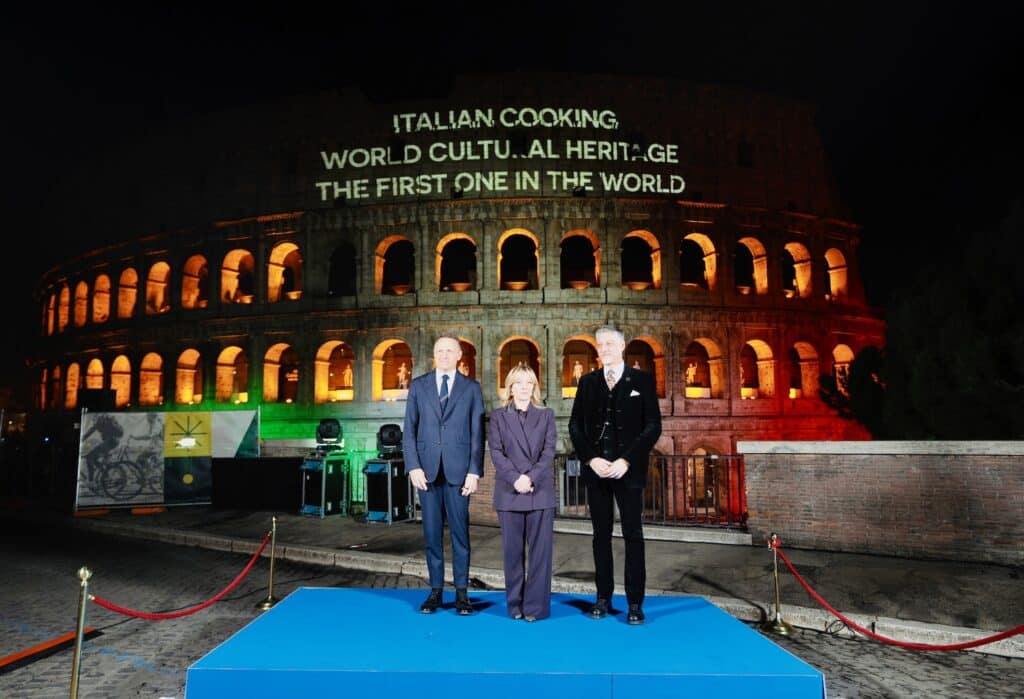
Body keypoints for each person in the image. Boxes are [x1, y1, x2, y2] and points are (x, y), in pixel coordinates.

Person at [568, 325, 662, 625]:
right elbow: (575, 426)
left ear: (622, 346)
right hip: (597, 472)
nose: (604, 348)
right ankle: (603, 598)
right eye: (600, 345)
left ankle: (635, 603)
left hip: (629, 472)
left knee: (633, 536)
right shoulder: (587, 382)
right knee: (600, 537)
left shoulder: (643, 380)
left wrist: (627, 460)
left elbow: (652, 426)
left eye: (610, 343)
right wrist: (591, 458)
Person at [402, 334, 485, 615]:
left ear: (460, 355)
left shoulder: (471, 389)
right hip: (425, 473)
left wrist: (474, 471)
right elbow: (409, 430)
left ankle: (462, 594)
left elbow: (477, 433)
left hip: (459, 473)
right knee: (431, 534)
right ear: (434, 354)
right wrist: (412, 466)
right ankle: (436, 591)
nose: (445, 354)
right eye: (440, 350)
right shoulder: (418, 386)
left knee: (460, 535)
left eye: (450, 350)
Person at [488, 363, 557, 622]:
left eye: (529, 383)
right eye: (519, 383)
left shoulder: (547, 415)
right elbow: (496, 452)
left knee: (541, 554)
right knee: (512, 553)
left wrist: (530, 477)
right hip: (510, 492)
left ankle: (535, 608)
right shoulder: (497, 417)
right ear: (510, 387)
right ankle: (515, 605)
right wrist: (516, 478)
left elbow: (548, 451)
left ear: (535, 388)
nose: (524, 388)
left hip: (539, 492)